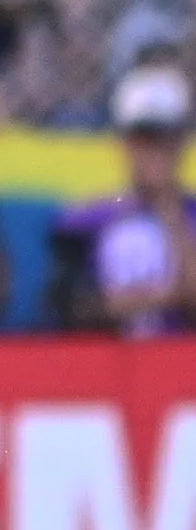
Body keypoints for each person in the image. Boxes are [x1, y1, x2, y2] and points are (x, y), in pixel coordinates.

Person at [67, 61, 196, 336]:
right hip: (107, 359)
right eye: (144, 139)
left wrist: (168, 208)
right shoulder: (90, 218)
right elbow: (70, 308)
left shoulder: (190, 213)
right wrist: (165, 296)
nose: (155, 151)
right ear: (124, 143)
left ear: (181, 143)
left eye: (164, 140)